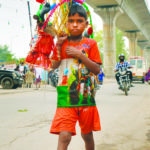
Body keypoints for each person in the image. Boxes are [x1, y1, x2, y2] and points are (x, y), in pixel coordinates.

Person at [50, 3, 102, 150]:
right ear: (65, 24)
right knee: (64, 136)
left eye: (79, 21)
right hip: (65, 97)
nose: (75, 25)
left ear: (86, 24)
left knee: (87, 135)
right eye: (71, 21)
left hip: (86, 97)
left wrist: (81, 56)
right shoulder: (61, 43)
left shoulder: (91, 44)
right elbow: (54, 65)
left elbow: (97, 69)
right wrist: (59, 46)